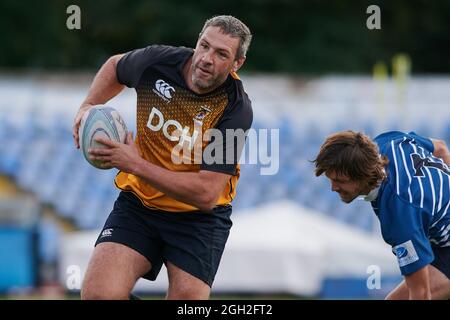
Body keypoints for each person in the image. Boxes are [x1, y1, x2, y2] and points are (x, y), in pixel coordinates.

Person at [72, 15, 253, 300]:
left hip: (199, 219)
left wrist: (134, 164)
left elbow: (206, 194)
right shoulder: (157, 61)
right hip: (140, 204)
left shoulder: (236, 111)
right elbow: (115, 66)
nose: (206, 58)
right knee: (97, 296)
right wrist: (89, 105)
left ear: (236, 64)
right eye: (204, 46)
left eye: (221, 54)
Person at [314, 130, 450, 299]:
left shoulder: (399, 216)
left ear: (363, 176)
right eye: (330, 178)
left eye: (340, 181)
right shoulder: (389, 142)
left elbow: (421, 294)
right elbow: (442, 149)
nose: (333, 187)